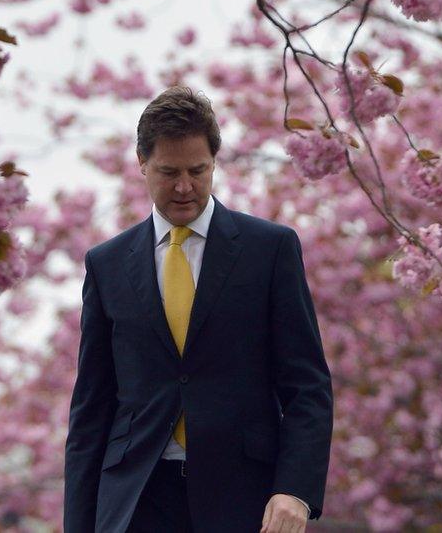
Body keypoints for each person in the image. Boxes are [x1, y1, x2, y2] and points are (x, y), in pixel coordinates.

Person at [64, 86, 333, 533]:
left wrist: (296, 490)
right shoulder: (106, 264)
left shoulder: (270, 250)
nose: (185, 187)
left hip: (244, 496)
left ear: (215, 161)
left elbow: (308, 385)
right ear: (141, 164)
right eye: (169, 172)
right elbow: (91, 408)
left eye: (198, 170)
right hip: (135, 500)